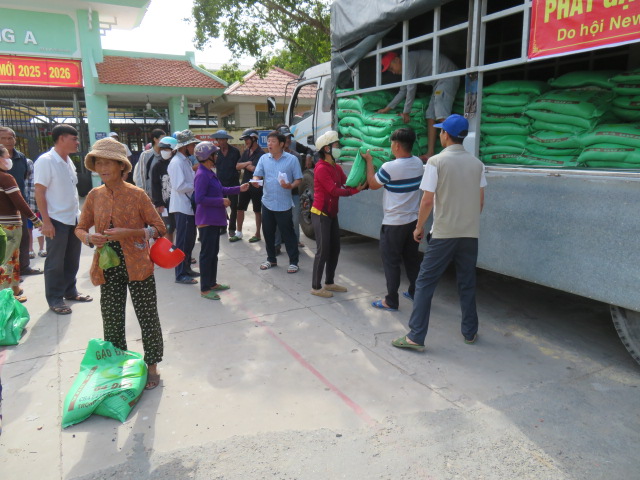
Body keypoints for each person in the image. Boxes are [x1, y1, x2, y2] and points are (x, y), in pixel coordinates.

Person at [76, 137, 166, 390]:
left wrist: (131, 233)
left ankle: (152, 366)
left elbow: (159, 228)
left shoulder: (137, 194)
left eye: (108, 163)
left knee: (147, 316)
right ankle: (117, 364)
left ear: (121, 166)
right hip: (108, 265)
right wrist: (88, 238)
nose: (103, 168)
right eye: (99, 163)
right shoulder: (94, 195)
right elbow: (80, 228)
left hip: (138, 264)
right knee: (112, 318)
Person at [392, 115, 486, 351]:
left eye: (441, 131)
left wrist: (418, 226)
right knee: (467, 282)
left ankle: (416, 336)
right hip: (469, 233)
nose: (441, 134)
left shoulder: (436, 162)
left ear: (445, 135)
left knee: (424, 283)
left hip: (444, 233)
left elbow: (427, 201)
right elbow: (480, 202)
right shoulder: (477, 164)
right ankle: (470, 332)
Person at [364, 128, 424, 311]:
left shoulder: (390, 167)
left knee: (391, 262)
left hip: (394, 224)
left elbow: (373, 184)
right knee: (412, 260)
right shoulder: (418, 163)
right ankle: (415, 293)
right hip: (412, 222)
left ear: (397, 145)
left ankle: (391, 301)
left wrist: (369, 162)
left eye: (391, 143)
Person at [34, 124, 92, 315]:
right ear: (61, 139)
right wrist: (46, 222)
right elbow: (39, 192)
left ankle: (70, 291)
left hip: (73, 218)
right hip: (56, 220)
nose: (77, 142)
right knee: (55, 262)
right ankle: (55, 298)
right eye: (74, 139)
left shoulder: (68, 161)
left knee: (72, 259)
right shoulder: (46, 161)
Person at [309, 131, 365, 298]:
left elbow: (347, 183)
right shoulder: (321, 168)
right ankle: (316, 287)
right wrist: (354, 191)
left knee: (335, 249)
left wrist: (363, 181)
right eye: (335, 145)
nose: (338, 148)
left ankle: (329, 282)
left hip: (332, 214)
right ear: (326, 149)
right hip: (321, 214)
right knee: (323, 250)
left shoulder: (336, 167)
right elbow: (333, 190)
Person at [378, 50, 459, 161]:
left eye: (391, 68)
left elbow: (411, 88)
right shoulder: (405, 70)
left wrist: (406, 112)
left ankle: (453, 153)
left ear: (396, 60)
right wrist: (386, 109)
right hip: (438, 82)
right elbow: (403, 91)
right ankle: (430, 153)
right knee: (430, 115)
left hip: (448, 76)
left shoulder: (407, 61)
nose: (393, 72)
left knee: (441, 114)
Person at [193, 142, 249, 300]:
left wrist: (238, 189)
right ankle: (205, 289)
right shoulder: (202, 174)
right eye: (214, 154)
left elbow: (220, 189)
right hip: (207, 220)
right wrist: (221, 201)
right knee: (207, 255)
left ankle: (212, 283)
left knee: (213, 254)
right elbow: (199, 199)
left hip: (214, 219)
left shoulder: (209, 172)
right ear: (207, 157)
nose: (217, 156)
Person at [251, 131, 303, 273]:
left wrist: (290, 186)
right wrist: (255, 181)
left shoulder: (292, 159)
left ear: (281, 144)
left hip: (284, 204)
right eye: (268, 141)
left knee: (288, 233)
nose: (270, 144)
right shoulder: (264, 159)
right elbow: (257, 174)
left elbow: (298, 179)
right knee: (268, 233)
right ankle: (271, 259)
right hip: (267, 202)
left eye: (273, 141)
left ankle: (294, 262)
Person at [0, 145, 42, 302]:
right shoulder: (6, 178)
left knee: (9, 258)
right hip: (9, 226)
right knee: (8, 261)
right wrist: (35, 220)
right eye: (6, 157)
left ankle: (15, 288)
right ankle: (7, 298)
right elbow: (19, 202)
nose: (9, 159)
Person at [168, 129, 200, 284]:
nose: (194, 148)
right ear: (185, 146)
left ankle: (186, 268)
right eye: (192, 145)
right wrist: (197, 185)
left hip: (188, 206)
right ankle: (180, 274)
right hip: (181, 206)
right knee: (182, 242)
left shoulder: (185, 160)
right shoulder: (176, 162)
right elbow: (179, 186)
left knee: (189, 240)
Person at [274, 125, 305, 251]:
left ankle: (295, 243)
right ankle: (276, 245)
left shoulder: (296, 156)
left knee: (295, 219)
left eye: (289, 138)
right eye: (285, 138)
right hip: (279, 194)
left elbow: (299, 176)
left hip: (293, 193)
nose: (288, 140)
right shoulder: (274, 156)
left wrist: (291, 185)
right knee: (278, 221)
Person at [231, 129, 264, 243]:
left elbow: (255, 169)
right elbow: (237, 166)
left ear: (254, 138)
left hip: (257, 185)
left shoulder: (261, 154)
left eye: (247, 139)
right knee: (240, 208)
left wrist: (245, 165)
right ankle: (239, 233)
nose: (245, 142)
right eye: (244, 140)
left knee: (257, 210)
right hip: (245, 184)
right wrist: (247, 164)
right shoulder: (246, 152)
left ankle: (258, 234)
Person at [210, 130, 241, 236]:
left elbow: (239, 166)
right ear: (217, 140)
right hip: (220, 183)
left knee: (234, 207)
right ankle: (222, 226)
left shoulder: (235, 151)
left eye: (223, 139)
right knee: (221, 205)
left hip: (233, 182)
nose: (221, 142)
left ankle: (232, 228)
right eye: (219, 140)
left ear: (227, 140)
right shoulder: (215, 153)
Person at [151, 136, 177, 244]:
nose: (163, 151)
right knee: (168, 229)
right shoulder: (157, 166)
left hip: (179, 203)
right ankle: (170, 250)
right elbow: (155, 186)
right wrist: (158, 203)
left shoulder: (177, 163)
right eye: (161, 149)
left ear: (173, 150)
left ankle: (180, 250)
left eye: (166, 149)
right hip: (165, 204)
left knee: (181, 229)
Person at [133, 128, 166, 197]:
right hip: (150, 194)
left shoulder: (165, 155)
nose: (164, 141)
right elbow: (141, 175)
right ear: (155, 139)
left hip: (163, 194)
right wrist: (143, 193)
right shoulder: (146, 155)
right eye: (162, 139)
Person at [25, 157, 46, 258]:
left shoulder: (36, 177)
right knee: (28, 228)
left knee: (39, 227)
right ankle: (30, 249)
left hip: (36, 205)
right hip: (26, 206)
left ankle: (41, 248)